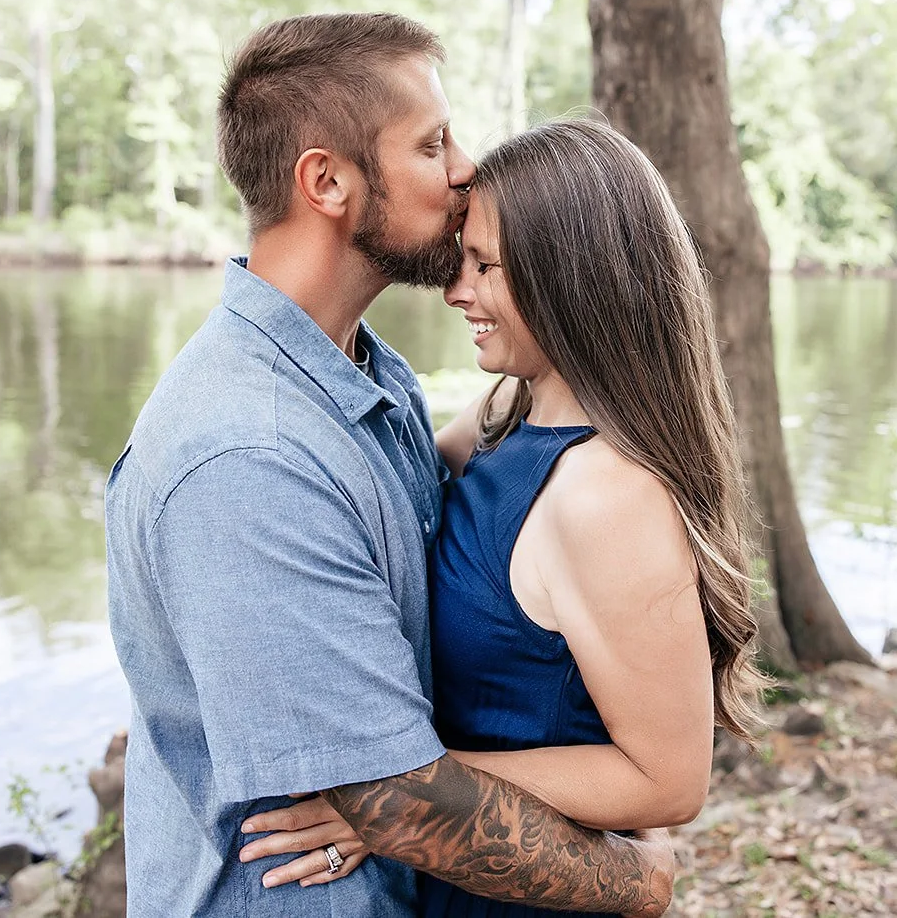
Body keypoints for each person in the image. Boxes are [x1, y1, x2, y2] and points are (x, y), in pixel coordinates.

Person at [104, 15, 674, 917]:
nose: (465, 168)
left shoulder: (366, 378)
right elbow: (395, 800)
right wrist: (640, 880)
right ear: (326, 181)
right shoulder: (249, 457)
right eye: (432, 143)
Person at [241, 117, 768, 917]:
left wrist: (405, 799)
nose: (457, 290)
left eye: (484, 265)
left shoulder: (606, 495)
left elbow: (669, 779)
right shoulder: (506, 410)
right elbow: (375, 486)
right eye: (463, 259)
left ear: (572, 275)